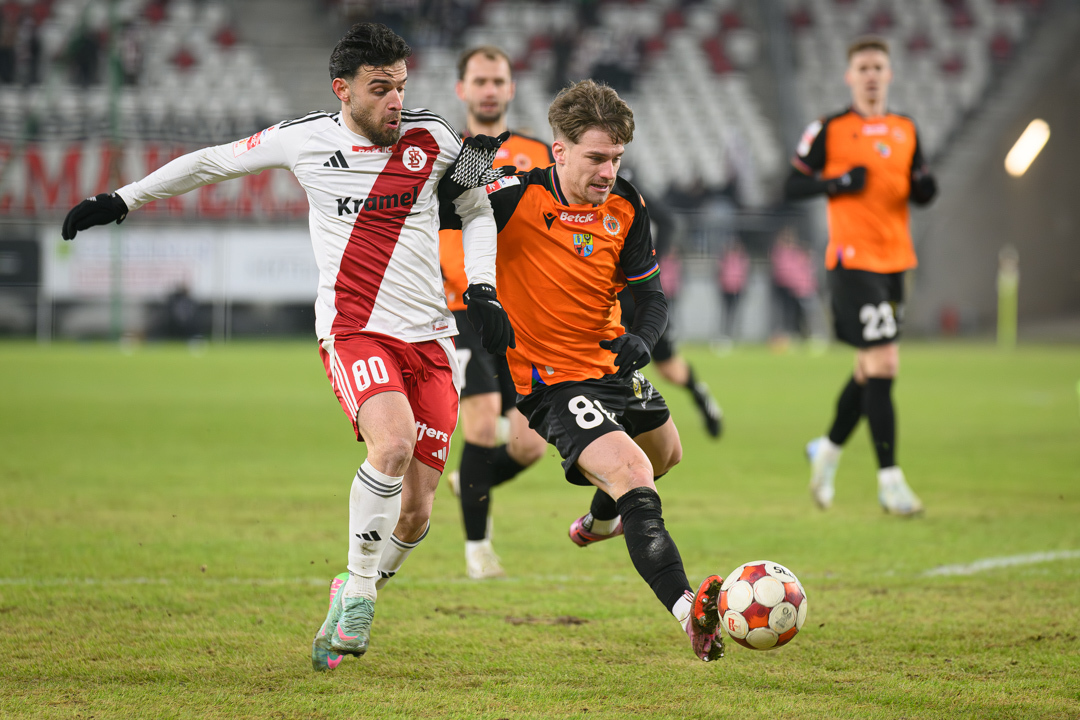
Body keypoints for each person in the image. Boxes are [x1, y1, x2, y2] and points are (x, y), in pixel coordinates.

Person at [60, 22, 515, 671]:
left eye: (401, 86)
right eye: (380, 88)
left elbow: (474, 208)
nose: (395, 101)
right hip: (354, 331)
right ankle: (361, 596)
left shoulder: (438, 137)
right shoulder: (304, 139)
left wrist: (484, 288)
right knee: (391, 444)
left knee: (415, 514)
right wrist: (121, 199)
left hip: (431, 340)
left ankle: (352, 588)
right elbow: (212, 161)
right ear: (342, 89)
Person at [447, 79, 726, 661]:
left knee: (666, 454)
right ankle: (689, 612)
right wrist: (470, 163)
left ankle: (599, 524)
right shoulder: (515, 196)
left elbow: (652, 297)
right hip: (552, 381)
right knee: (633, 471)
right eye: (597, 157)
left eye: (616, 157)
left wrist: (642, 339)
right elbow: (445, 206)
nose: (608, 171)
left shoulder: (627, 204)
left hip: (610, 365)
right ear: (560, 150)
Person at [784, 35, 937, 515]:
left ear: (889, 74)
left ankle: (826, 450)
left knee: (868, 368)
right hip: (853, 261)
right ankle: (890, 482)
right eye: (863, 68)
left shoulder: (906, 129)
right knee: (885, 362)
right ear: (850, 76)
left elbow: (918, 184)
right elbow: (791, 184)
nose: (871, 75)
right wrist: (837, 182)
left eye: (878, 67)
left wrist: (926, 188)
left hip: (897, 262)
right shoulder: (830, 128)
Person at [438, 45, 551, 580]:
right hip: (465, 307)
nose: (489, 90)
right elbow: (441, 227)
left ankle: (469, 482)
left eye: (497, 80)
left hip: (524, 313)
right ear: (462, 89)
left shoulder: (540, 154)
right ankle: (478, 551)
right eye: (479, 81)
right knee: (482, 424)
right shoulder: (447, 153)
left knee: (529, 446)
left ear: (511, 88)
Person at [615, 167, 723, 439]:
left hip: (634, 292)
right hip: (601, 291)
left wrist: (651, 261)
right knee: (605, 359)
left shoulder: (626, 188)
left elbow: (668, 220)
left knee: (668, 368)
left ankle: (701, 397)